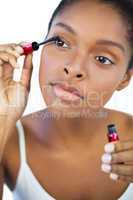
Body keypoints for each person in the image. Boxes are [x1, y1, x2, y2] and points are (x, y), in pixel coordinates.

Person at [0, 0, 133, 199]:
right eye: (60, 42)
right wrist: (2, 119)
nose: (74, 68)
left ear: (124, 79)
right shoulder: (7, 143)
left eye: (102, 59)